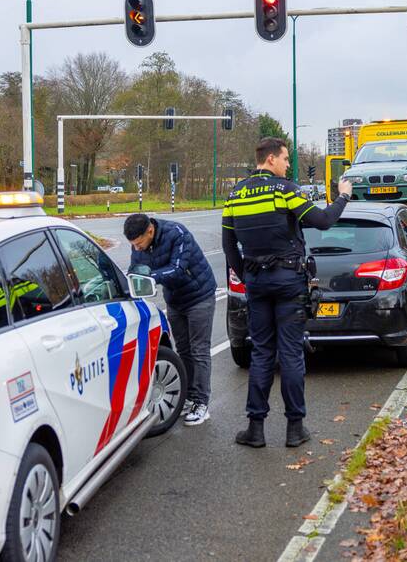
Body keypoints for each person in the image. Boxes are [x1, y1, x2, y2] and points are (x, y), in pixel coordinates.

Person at [222, 137, 353, 448]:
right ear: (270, 159)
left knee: (261, 353)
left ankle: (255, 429)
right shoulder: (286, 190)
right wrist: (343, 196)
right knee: (291, 353)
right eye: (284, 159)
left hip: (257, 283)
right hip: (288, 281)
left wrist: (248, 277)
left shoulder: (235, 195)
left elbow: (229, 246)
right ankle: (295, 428)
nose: (287, 165)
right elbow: (323, 221)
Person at [125, 213, 216, 425]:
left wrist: (150, 277)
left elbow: (178, 269)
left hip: (199, 296)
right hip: (175, 301)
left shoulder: (177, 233)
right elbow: (135, 271)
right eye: (133, 245)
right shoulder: (138, 246)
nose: (137, 248)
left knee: (199, 350)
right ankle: (189, 397)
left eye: (139, 243)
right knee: (183, 350)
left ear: (150, 231)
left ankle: (201, 403)